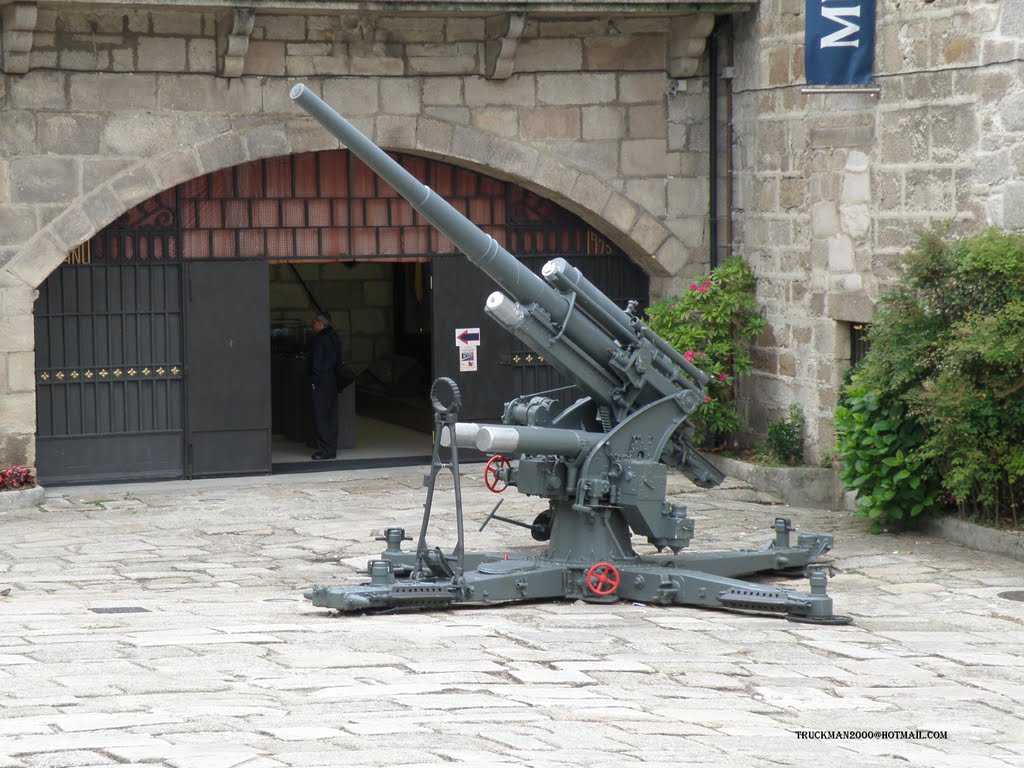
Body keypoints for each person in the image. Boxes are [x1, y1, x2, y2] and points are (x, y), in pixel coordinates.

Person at [307, 312, 340, 460]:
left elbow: (317, 363)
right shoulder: (334, 337)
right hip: (332, 380)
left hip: (322, 381)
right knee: (331, 416)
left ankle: (324, 450)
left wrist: (314, 381)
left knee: (321, 416)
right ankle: (331, 448)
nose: (313, 325)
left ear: (321, 324)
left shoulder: (320, 339)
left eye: (314, 322)